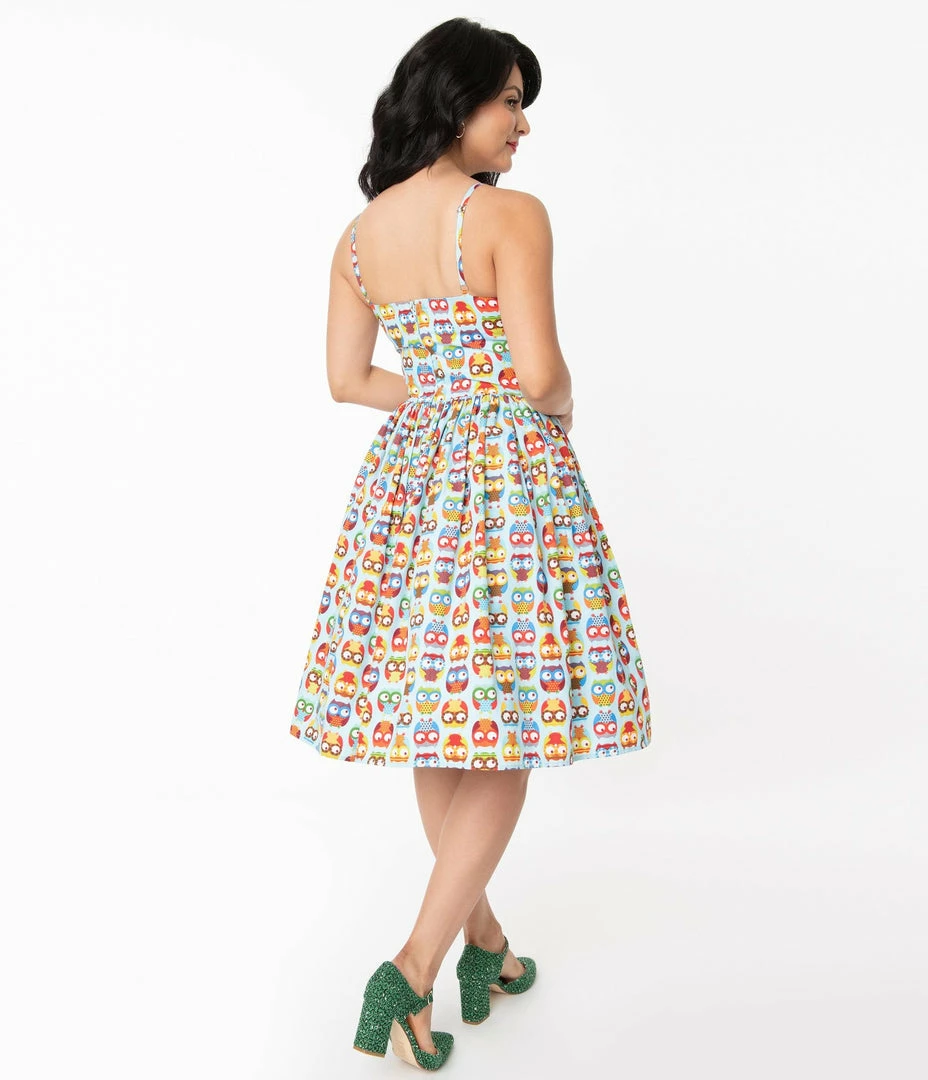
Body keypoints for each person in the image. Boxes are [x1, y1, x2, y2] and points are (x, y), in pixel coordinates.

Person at [288, 16, 652, 1070]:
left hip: (410, 486)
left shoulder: (358, 238)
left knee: (447, 718)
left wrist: (442, 392)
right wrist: (556, 406)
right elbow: (538, 374)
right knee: (504, 725)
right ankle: (410, 971)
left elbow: (348, 380)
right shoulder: (508, 217)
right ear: (455, 104)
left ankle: (485, 944)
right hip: (504, 480)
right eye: (509, 101)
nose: (522, 124)